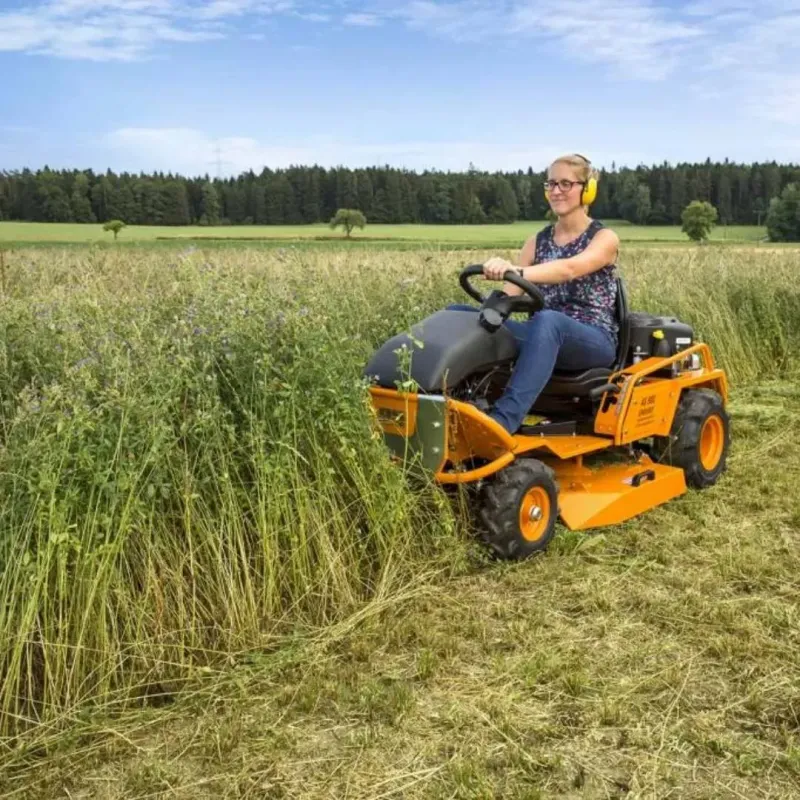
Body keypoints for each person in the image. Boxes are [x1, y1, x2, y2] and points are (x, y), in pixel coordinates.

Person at [455, 153, 620, 434]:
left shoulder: (603, 238)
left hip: (593, 339)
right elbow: (510, 294)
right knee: (461, 315)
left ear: (587, 190)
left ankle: (501, 423)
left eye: (566, 184)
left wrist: (517, 270)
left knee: (548, 320)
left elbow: (569, 269)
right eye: (551, 184)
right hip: (543, 335)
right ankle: (442, 403)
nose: (556, 191)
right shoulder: (537, 242)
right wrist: (493, 301)